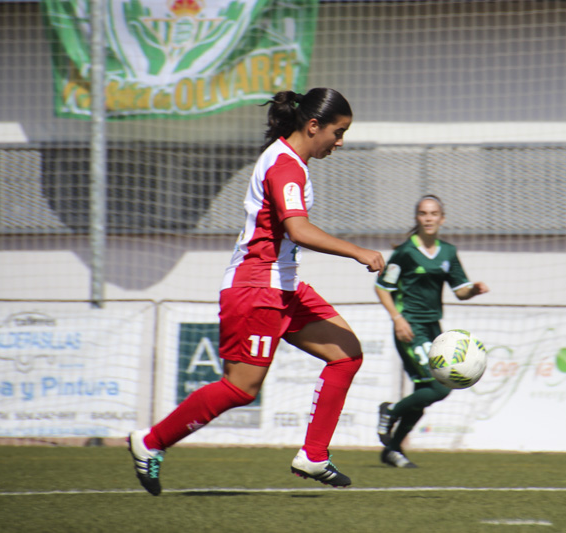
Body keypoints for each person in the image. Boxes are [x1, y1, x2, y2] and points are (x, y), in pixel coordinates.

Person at [128, 88, 385, 495]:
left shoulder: (290, 161)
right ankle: (150, 441)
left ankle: (314, 456)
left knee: (347, 354)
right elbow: (298, 229)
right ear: (313, 125)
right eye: (338, 132)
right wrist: (357, 251)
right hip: (257, 287)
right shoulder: (285, 166)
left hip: (282, 284)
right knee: (240, 388)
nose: (341, 142)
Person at [374, 195, 488, 468]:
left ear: (442, 218)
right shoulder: (404, 252)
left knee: (422, 395)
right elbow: (382, 287)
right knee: (439, 386)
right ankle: (390, 411)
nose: (428, 218)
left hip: (434, 328)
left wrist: (473, 289)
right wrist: (397, 319)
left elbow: (460, 291)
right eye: (423, 213)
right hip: (410, 327)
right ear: (417, 218)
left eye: (434, 213)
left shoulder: (448, 252)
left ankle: (393, 449)